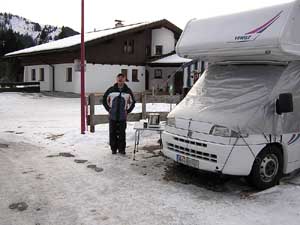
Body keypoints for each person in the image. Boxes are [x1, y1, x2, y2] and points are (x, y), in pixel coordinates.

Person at [103, 73, 136, 155]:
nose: (120, 80)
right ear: (116, 79)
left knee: (122, 133)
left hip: (122, 116)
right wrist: (109, 109)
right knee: (112, 132)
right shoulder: (111, 90)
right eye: (119, 79)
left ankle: (122, 149)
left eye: (122, 79)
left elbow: (133, 102)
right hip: (112, 116)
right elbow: (104, 100)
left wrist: (127, 111)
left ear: (124, 79)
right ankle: (113, 148)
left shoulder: (127, 91)